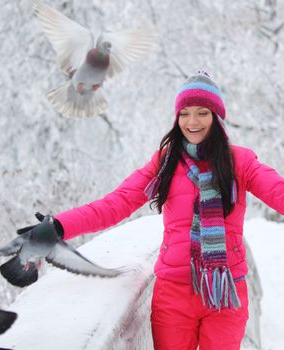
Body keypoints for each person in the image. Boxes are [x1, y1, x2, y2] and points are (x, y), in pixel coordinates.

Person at [30, 71, 284, 349]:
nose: (192, 122)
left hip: (224, 294)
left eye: (202, 112)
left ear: (216, 117)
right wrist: (60, 226)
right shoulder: (165, 162)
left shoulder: (240, 162)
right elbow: (118, 202)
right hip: (173, 296)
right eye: (185, 113)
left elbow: (278, 192)